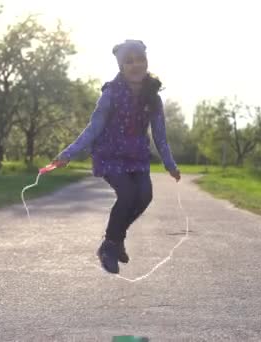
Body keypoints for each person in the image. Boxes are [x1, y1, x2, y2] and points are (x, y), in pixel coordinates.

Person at [52, 39, 181, 274]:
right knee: (128, 194)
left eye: (140, 59)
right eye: (129, 61)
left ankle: (115, 238)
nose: (136, 65)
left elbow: (160, 134)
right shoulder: (110, 93)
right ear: (121, 66)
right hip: (109, 155)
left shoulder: (153, 96)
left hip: (137, 157)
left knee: (144, 196)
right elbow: (94, 128)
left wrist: (170, 164)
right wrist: (68, 153)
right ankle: (109, 247)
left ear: (146, 62)